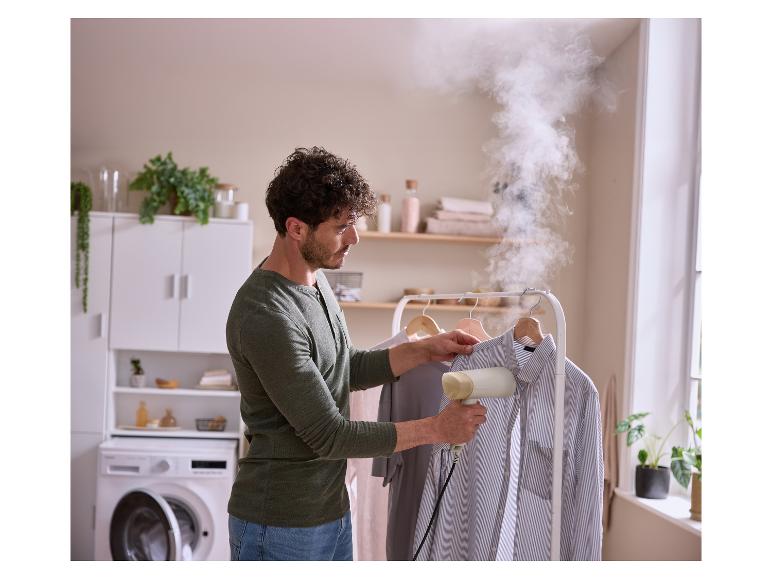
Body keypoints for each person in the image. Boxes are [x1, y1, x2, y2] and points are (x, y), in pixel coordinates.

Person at [226, 146, 487, 561]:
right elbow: (330, 436)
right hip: (279, 525)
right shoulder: (265, 315)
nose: (354, 238)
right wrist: (437, 430)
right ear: (296, 229)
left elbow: (342, 368)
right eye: (341, 226)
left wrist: (422, 350)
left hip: (331, 511)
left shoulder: (314, 281)